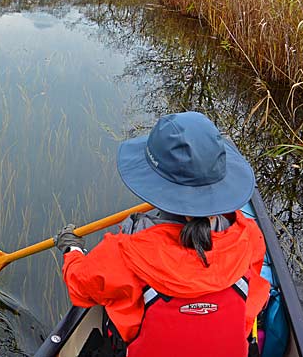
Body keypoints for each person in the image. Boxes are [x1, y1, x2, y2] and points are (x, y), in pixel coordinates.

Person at [55, 111, 270, 356]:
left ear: (158, 184)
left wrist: (71, 250)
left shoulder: (125, 253)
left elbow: (80, 287)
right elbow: (250, 306)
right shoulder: (250, 236)